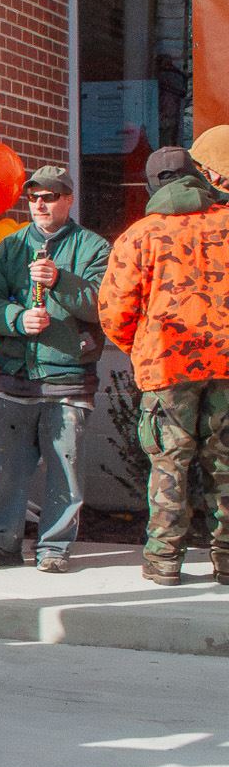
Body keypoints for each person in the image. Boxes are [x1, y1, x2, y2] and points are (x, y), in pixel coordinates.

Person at [0, 165, 110, 573]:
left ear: (68, 199)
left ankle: (54, 548)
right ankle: (0, 544)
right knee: (5, 469)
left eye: (50, 197)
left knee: (65, 471)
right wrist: (16, 319)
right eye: (34, 198)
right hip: (13, 375)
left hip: (68, 376)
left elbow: (104, 305)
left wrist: (60, 280)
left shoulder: (93, 247)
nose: (40, 205)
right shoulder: (10, 247)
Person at [98, 147, 229, 586]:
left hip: (166, 365)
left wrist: (141, 348)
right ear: (197, 177)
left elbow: (115, 310)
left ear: (153, 184)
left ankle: (164, 560)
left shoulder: (141, 235)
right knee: (226, 464)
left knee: (169, 465)